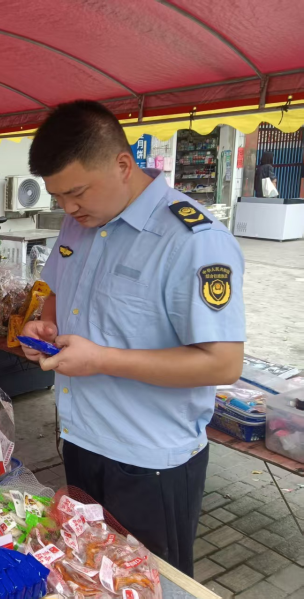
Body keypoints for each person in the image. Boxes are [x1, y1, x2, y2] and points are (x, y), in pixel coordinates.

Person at [20, 100, 245, 575]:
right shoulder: (78, 223)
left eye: (77, 192)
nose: (68, 208)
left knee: (147, 582)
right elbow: (56, 291)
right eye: (58, 197)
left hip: (148, 459)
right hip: (81, 439)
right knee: (88, 573)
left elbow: (223, 363)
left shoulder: (192, 239)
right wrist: (45, 326)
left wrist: (102, 360)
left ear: (123, 165)